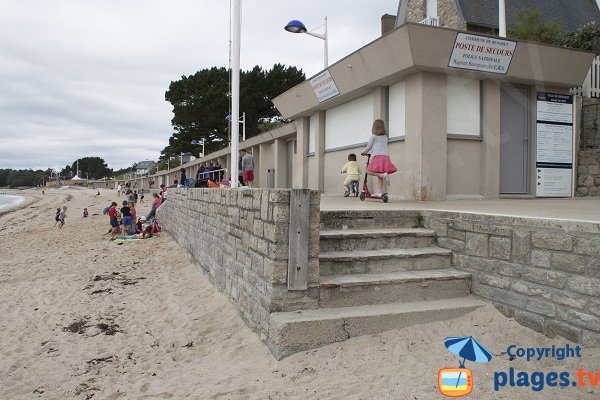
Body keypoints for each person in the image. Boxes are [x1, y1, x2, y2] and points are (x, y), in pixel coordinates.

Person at [361, 119, 398, 197]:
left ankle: (383, 175)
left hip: (377, 156)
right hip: (386, 157)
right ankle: (379, 192)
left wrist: (364, 152)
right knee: (380, 174)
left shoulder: (373, 136)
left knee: (368, 171)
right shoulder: (385, 137)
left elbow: (369, 146)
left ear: (374, 127)